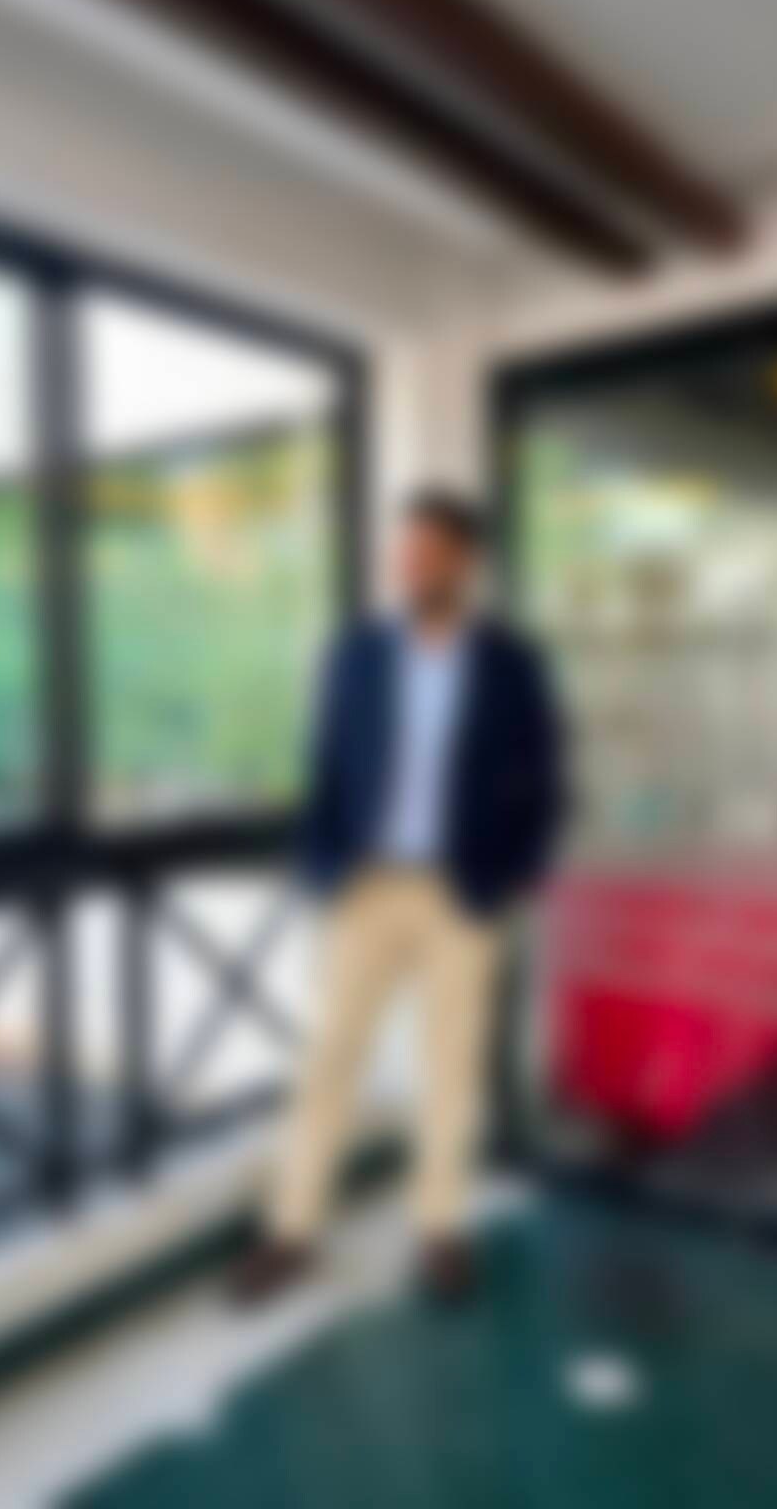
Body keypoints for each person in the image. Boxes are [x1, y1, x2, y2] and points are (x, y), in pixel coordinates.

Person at [231, 486, 566, 1305]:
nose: (408, 565)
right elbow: (326, 764)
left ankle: (439, 1228)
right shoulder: (357, 653)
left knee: (450, 1069)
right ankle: (293, 1231)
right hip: (366, 887)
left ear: (464, 560)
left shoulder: (512, 663)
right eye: (402, 551)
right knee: (328, 1058)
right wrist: (319, 865)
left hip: (463, 893)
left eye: (426, 552)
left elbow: (548, 781)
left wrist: (519, 874)